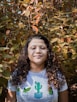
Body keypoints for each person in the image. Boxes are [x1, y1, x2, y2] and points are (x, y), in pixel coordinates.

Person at [6, 34, 68, 102]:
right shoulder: (17, 74)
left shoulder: (58, 75)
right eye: (33, 48)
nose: (38, 51)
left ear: (48, 52)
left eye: (42, 48)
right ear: (27, 52)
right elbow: (10, 100)